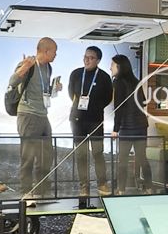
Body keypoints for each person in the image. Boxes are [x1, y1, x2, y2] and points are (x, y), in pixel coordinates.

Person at [9, 37, 60, 197]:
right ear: (46, 51)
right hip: (28, 115)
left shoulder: (48, 68)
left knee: (46, 155)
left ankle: (40, 190)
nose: (56, 55)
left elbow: (43, 90)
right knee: (28, 156)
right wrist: (24, 67)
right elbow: (12, 81)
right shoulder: (29, 63)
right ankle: (26, 192)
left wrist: (55, 89)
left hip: (43, 114)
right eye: (54, 51)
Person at [68, 46, 113, 198]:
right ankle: (84, 186)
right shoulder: (75, 74)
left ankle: (102, 183)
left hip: (95, 119)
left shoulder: (104, 77)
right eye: (85, 57)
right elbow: (71, 93)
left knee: (98, 153)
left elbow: (108, 98)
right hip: (77, 119)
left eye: (91, 58)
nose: (87, 60)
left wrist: (94, 106)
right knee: (81, 154)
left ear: (98, 60)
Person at [110, 54, 151, 195]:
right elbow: (144, 102)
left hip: (126, 127)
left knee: (122, 160)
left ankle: (121, 190)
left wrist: (115, 129)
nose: (110, 68)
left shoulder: (118, 82)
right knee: (142, 158)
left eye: (112, 65)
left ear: (119, 67)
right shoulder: (135, 81)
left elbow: (118, 107)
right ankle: (149, 188)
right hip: (141, 125)